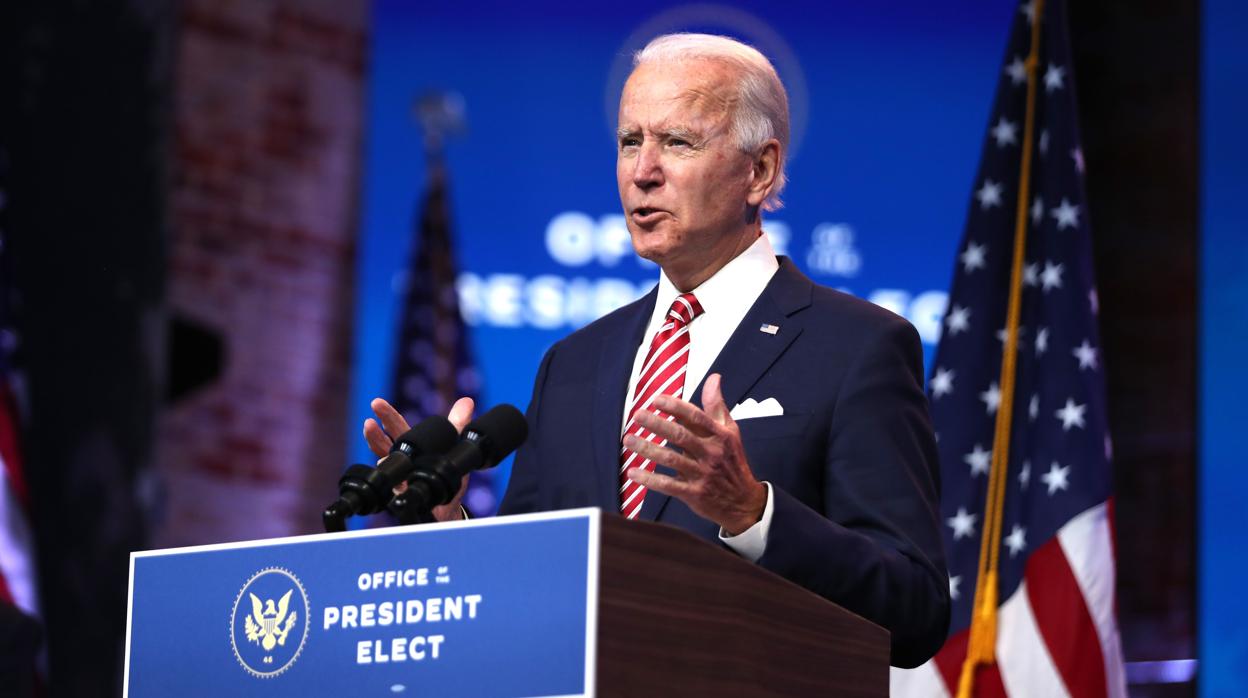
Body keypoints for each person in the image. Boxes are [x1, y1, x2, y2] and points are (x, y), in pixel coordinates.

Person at [364, 33, 949, 668]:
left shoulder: (858, 346)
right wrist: (450, 531)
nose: (643, 171)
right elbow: (527, 588)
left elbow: (914, 610)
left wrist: (752, 514)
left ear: (761, 170)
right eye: (629, 142)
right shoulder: (574, 363)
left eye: (677, 142)